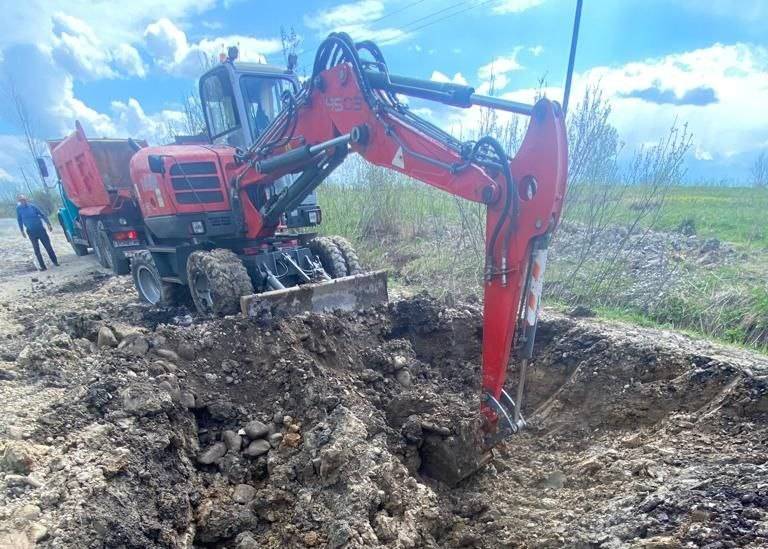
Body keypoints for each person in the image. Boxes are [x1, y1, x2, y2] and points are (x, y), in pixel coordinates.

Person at [16, 194, 59, 270]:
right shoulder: (19, 209)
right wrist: (22, 230)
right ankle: (43, 266)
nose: (23, 201)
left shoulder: (32, 207)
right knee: (36, 250)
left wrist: (48, 224)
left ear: (26, 200)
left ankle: (55, 262)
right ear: (19, 201)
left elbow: (42, 214)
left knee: (48, 247)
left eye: (24, 200)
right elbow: (19, 220)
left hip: (40, 230)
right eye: (21, 200)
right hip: (31, 232)